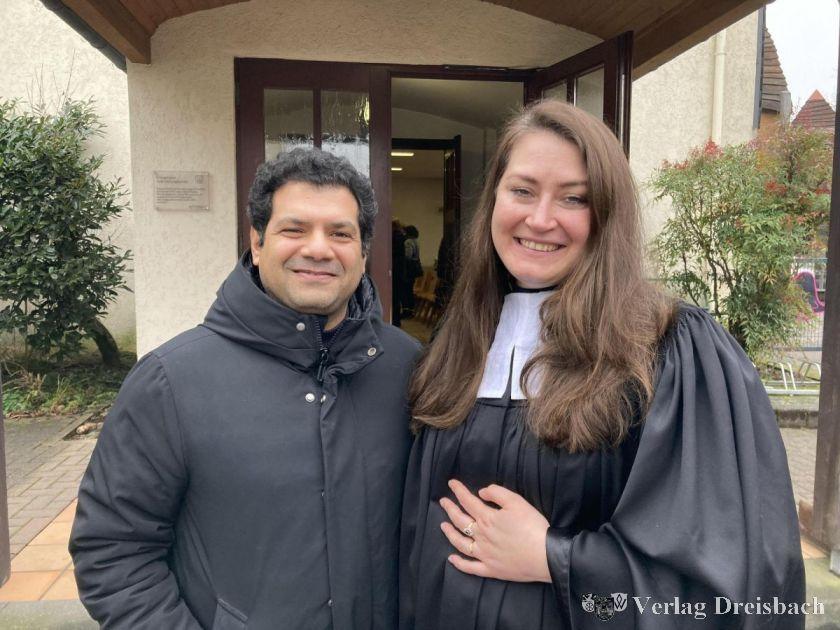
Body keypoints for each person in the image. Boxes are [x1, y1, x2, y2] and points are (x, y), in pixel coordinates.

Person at [400, 101, 805, 629]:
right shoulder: (458, 343)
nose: (539, 219)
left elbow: (724, 571)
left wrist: (555, 558)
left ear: (606, 216)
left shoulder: (667, 349)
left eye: (574, 198)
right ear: (494, 199)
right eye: (522, 190)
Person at [70, 148, 421, 629]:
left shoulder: (409, 368)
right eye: (294, 229)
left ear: (363, 253)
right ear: (257, 243)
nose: (319, 249)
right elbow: (113, 550)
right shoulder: (171, 382)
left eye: (340, 233)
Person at [403, 225, 422, 317]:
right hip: (414, 269)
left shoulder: (408, 242)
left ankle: (407, 311)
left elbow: (408, 255)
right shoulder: (416, 241)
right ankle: (411, 310)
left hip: (408, 269)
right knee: (409, 290)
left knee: (407, 291)